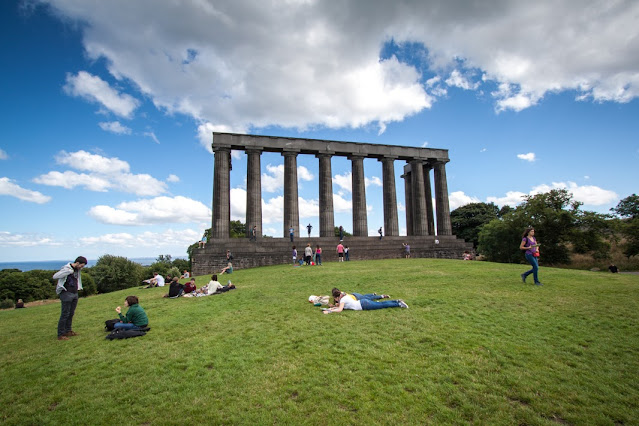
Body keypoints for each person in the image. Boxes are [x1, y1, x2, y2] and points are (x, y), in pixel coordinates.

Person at [53, 256, 87, 340]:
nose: (82, 268)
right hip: (66, 293)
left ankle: (68, 330)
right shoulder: (67, 269)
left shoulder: (77, 269)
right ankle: (60, 334)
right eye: (81, 266)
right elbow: (55, 276)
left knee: (71, 313)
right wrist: (68, 272)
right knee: (65, 314)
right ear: (77, 263)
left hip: (74, 292)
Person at [323, 288, 408, 314]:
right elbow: (338, 307)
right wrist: (330, 309)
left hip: (364, 305)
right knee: (381, 304)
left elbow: (340, 309)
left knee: (382, 305)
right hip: (363, 303)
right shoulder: (344, 297)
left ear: (336, 297)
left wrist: (329, 312)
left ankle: (398, 303)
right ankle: (397, 301)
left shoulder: (343, 300)